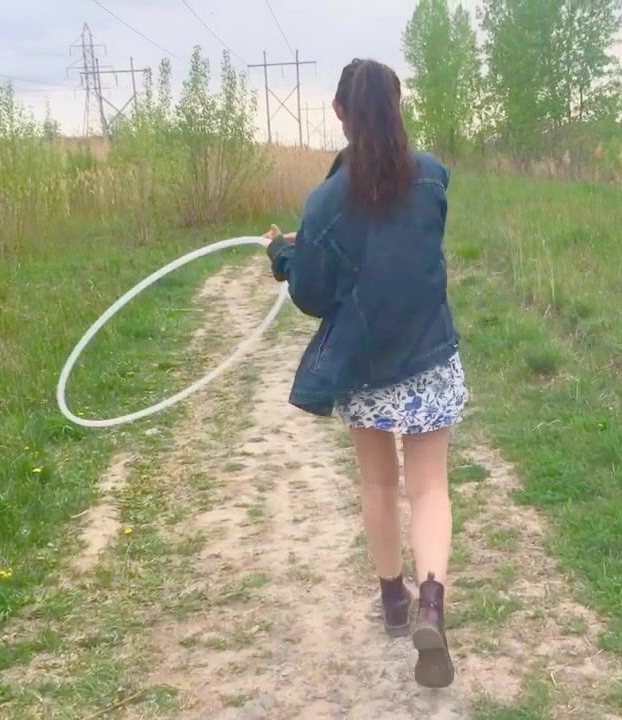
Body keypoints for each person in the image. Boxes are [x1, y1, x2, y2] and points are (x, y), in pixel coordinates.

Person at [264, 58, 465, 689]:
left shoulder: (326, 203)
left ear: (339, 113)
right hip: (429, 356)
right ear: (398, 106)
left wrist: (284, 255)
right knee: (429, 488)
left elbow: (312, 295)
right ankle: (432, 605)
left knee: (379, 484)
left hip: (366, 365)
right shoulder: (432, 176)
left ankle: (394, 602)